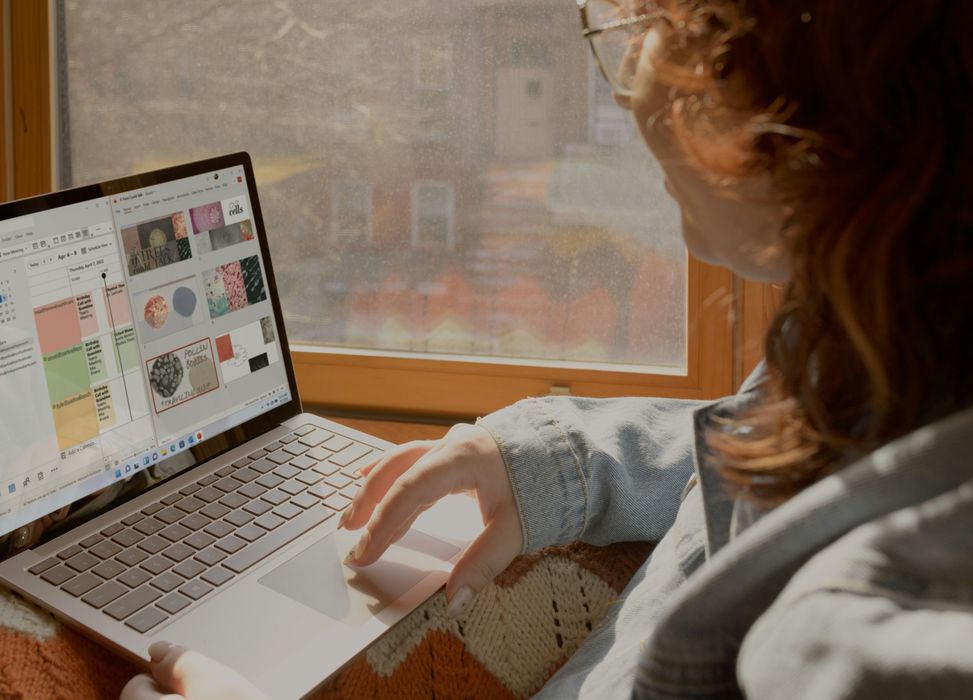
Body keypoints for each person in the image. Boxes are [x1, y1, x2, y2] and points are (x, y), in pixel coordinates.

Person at [122, 0, 973, 697]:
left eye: (689, 30)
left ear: (829, 117)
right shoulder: (886, 339)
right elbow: (794, 470)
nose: (639, 62)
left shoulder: (877, 638)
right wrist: (550, 460)